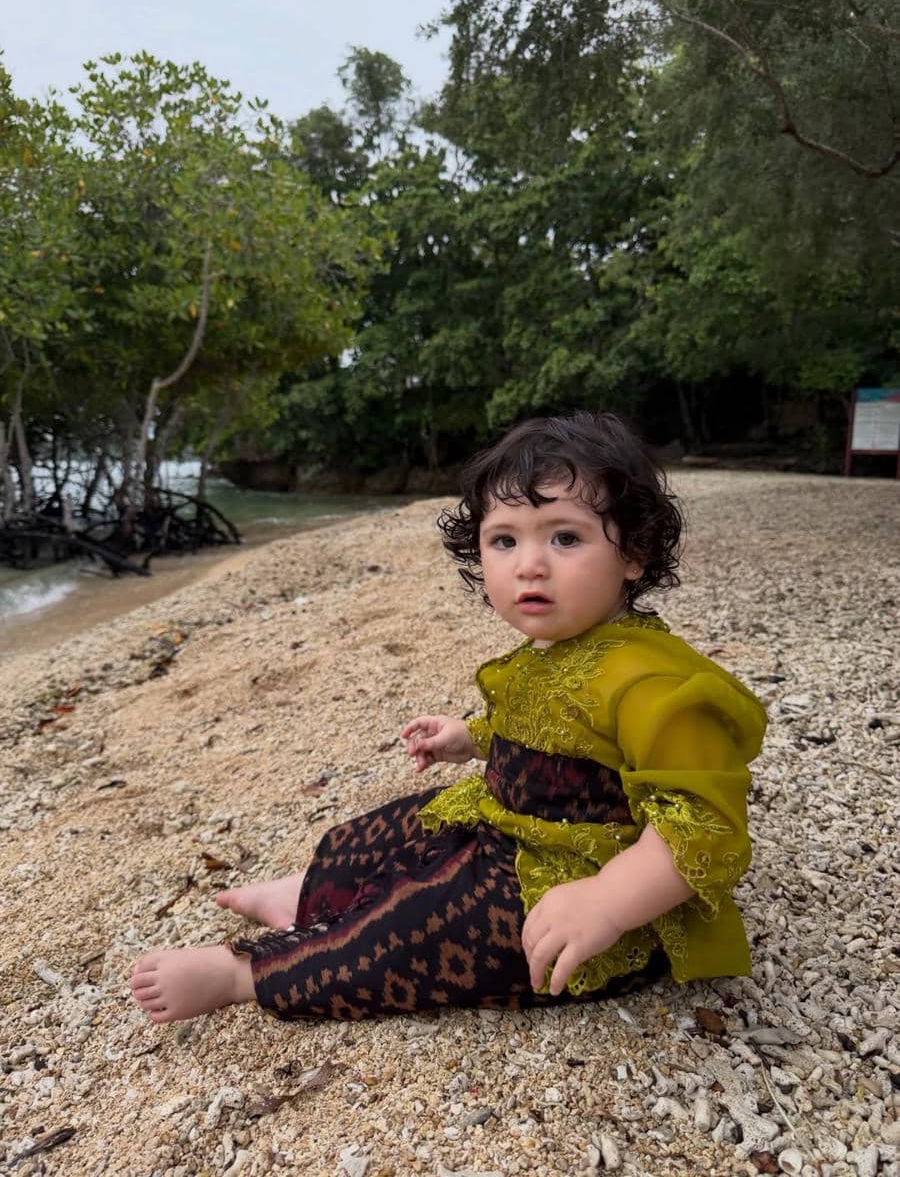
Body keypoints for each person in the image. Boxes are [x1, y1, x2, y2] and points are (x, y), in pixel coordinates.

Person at [130, 411, 767, 1024]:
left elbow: (706, 828)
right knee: (393, 828)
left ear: (634, 553)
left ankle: (247, 975)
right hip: (512, 829)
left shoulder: (655, 684)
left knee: (425, 917)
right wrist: (471, 738)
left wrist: (606, 902)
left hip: (591, 902)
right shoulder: (564, 644)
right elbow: (550, 726)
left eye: (565, 537)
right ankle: (309, 895)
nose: (529, 564)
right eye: (505, 540)